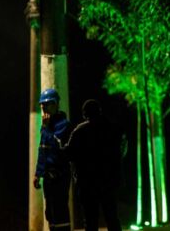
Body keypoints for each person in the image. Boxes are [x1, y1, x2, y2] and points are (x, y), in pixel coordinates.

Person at [64, 99, 125, 231]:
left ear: (85, 114)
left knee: (90, 220)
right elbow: (121, 151)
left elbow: (69, 154)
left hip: (87, 183)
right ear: (99, 111)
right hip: (109, 182)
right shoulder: (113, 129)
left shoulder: (79, 131)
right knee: (112, 218)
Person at [34, 88, 74, 231]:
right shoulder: (47, 125)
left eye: (48, 104)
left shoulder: (64, 125)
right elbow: (42, 149)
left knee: (60, 211)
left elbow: (58, 147)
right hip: (48, 176)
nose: (44, 108)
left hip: (60, 175)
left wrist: (46, 128)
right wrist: (37, 174)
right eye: (42, 105)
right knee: (50, 213)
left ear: (56, 104)